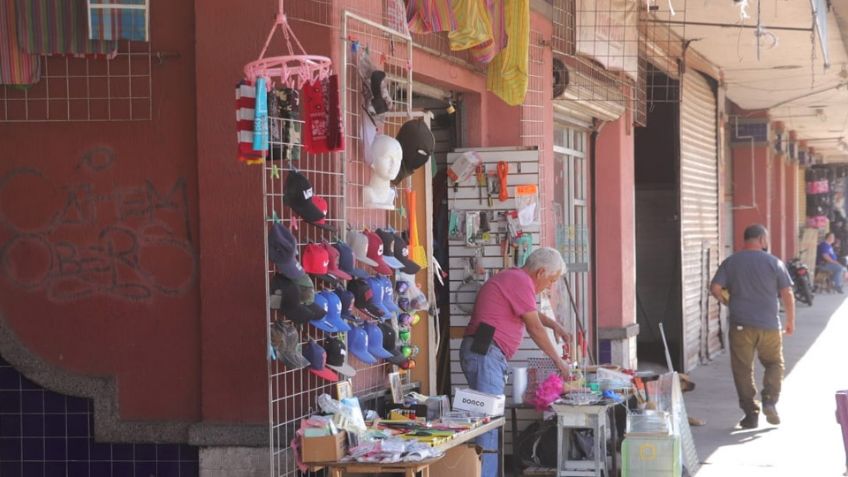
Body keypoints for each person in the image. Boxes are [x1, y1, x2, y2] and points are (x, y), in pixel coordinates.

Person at [460, 247, 571, 476]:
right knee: (488, 424)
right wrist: (559, 362)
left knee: (490, 423)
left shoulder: (516, 280)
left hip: (487, 355)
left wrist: (555, 325)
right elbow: (534, 327)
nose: (550, 286)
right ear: (540, 272)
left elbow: (532, 314)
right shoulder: (519, 280)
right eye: (551, 280)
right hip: (486, 355)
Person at [710, 224, 795, 429]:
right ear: (762, 239)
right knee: (774, 363)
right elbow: (787, 293)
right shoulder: (774, 262)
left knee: (742, 369)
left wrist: (728, 302)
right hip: (770, 325)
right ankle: (770, 401)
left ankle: (751, 414)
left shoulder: (731, 262)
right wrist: (790, 320)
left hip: (741, 324)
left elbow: (715, 288)